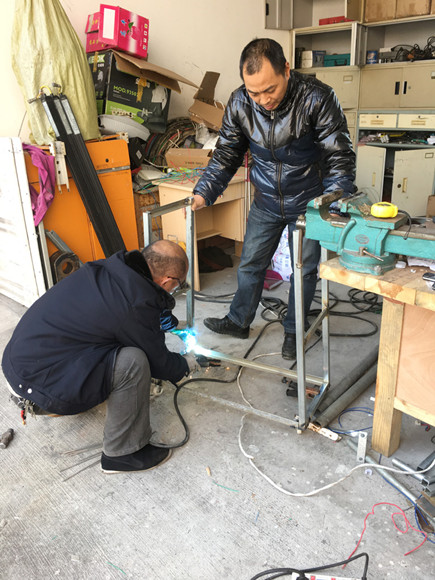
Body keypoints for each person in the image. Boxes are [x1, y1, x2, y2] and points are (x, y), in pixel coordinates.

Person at [191, 38, 356, 359]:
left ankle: (295, 330)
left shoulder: (317, 97)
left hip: (308, 203)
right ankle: (239, 320)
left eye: (270, 89)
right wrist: (204, 191)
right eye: (254, 92)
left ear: (286, 70)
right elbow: (226, 154)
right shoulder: (240, 102)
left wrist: (335, 202)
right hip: (266, 200)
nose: (263, 99)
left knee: (303, 270)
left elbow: (338, 155)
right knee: (250, 264)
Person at [2, 240, 198, 474]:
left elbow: (118, 316)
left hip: (18, 364)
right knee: (133, 361)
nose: (176, 289)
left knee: (115, 341)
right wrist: (184, 364)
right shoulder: (133, 305)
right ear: (167, 281)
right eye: (177, 285)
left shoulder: (110, 269)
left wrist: (157, 314)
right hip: (37, 388)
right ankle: (122, 454)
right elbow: (160, 363)